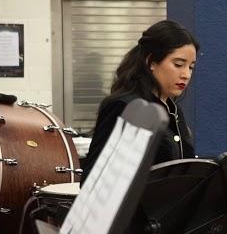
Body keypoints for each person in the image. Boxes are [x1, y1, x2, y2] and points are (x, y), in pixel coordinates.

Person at [83, 20, 199, 183]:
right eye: (178, 64)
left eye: (191, 67)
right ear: (151, 62)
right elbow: (94, 178)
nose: (186, 74)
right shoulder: (124, 106)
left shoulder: (174, 110)